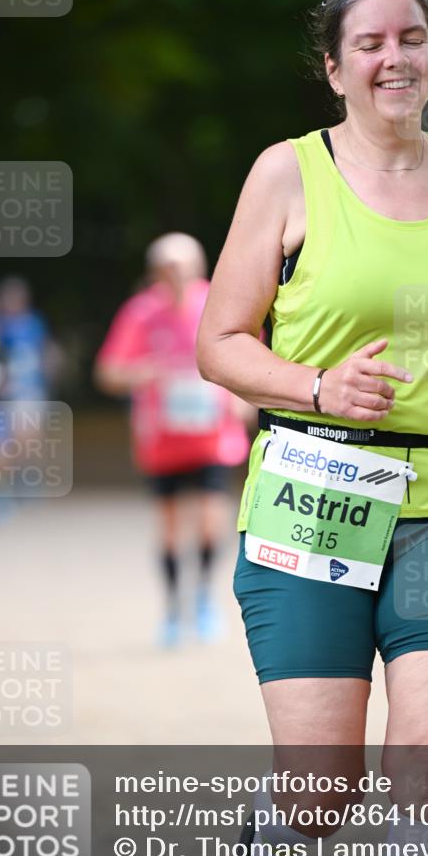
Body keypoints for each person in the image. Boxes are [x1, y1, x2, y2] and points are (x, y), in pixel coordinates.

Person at [197, 0, 428, 856]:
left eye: (412, 38)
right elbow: (217, 344)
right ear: (335, 69)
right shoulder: (286, 172)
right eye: (371, 43)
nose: (396, 57)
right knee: (321, 783)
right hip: (315, 496)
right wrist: (316, 385)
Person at [95, 233, 251, 647]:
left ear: (198, 267)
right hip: (162, 438)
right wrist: (145, 373)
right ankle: (171, 607)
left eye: (181, 266)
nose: (174, 275)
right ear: (154, 272)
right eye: (165, 268)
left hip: (213, 438)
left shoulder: (218, 304)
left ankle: (201, 598)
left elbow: (249, 362)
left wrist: (242, 400)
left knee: (209, 519)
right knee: (167, 527)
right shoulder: (140, 312)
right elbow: (108, 371)